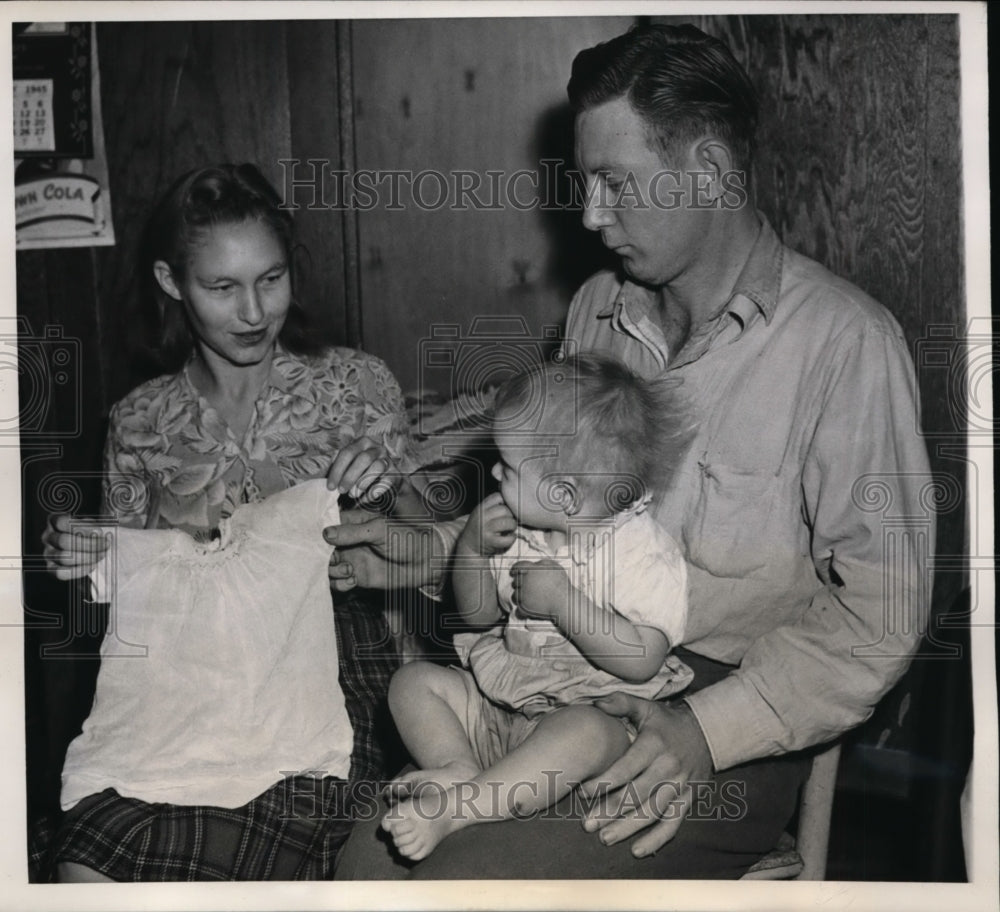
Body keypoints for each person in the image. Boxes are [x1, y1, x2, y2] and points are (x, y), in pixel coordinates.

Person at [331, 22, 933, 879]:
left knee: (468, 879)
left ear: (713, 173)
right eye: (585, 185)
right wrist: (427, 552)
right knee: (369, 862)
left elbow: (882, 619)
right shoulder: (597, 309)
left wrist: (706, 731)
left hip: (719, 718)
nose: (589, 214)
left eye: (614, 182)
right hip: (546, 673)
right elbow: (556, 513)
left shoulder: (847, 345)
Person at [41, 163, 419, 881]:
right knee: (89, 852)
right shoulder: (139, 420)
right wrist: (78, 555)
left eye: (271, 280)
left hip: (331, 675)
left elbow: (447, 555)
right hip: (189, 681)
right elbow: (117, 599)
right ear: (169, 282)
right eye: (222, 287)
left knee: (253, 850)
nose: (253, 311)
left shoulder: (357, 387)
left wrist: (390, 492)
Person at [381, 354, 694, 860]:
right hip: (504, 702)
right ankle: (458, 766)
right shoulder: (523, 532)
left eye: (508, 467)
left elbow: (643, 659)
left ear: (564, 494)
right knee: (412, 684)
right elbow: (480, 617)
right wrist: (473, 551)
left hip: (586, 718)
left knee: (586, 733)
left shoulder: (641, 551)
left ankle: (457, 810)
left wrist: (564, 603)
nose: (494, 471)